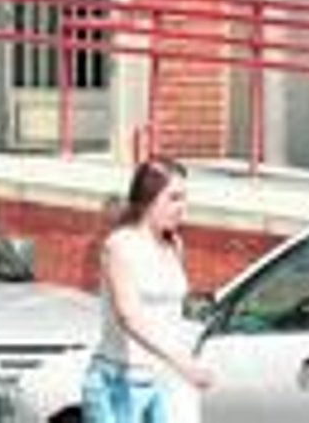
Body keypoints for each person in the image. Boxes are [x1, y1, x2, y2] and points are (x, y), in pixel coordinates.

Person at [83, 156, 214, 422]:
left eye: (185, 198)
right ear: (147, 199)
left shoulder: (174, 245)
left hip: (162, 380)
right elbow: (128, 317)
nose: (182, 207)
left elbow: (172, 314)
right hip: (119, 383)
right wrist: (182, 363)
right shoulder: (119, 245)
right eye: (174, 198)